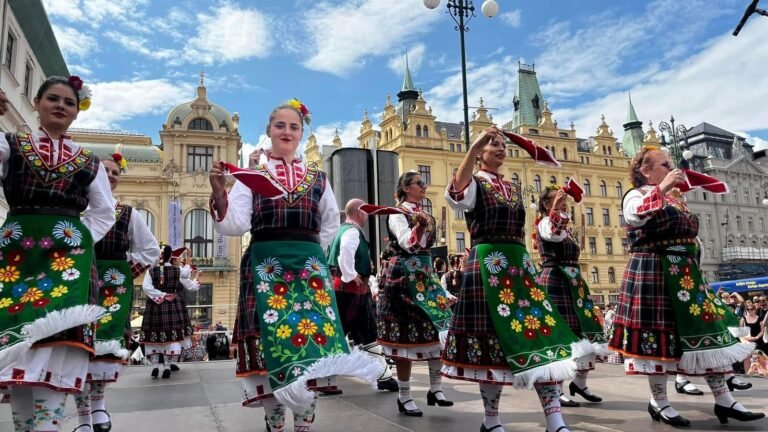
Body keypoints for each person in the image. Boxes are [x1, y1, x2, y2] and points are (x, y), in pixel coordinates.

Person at [209, 99, 378, 432]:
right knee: (270, 352)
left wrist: (312, 255)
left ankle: (302, 427)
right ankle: (275, 427)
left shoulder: (318, 178)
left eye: (294, 126)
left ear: (302, 132)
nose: (287, 131)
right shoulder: (252, 175)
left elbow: (329, 224)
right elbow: (235, 224)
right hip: (265, 266)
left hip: (307, 269)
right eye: (280, 126)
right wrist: (219, 193)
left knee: (312, 352)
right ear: (269, 130)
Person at [444, 127, 589, 432]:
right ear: (479, 152)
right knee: (491, 347)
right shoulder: (475, 183)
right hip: (488, 263)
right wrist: (473, 146)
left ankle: (555, 419)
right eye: (491, 145)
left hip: (519, 264)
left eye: (501, 144)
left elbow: (548, 229)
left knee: (543, 336)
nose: (499, 148)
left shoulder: (512, 186)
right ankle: (492, 420)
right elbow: (456, 194)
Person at [608, 145, 763, 426]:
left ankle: (725, 401)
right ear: (646, 170)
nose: (673, 168)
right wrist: (664, 187)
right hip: (655, 271)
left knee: (709, 336)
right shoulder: (636, 194)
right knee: (657, 340)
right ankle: (659, 402)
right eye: (665, 164)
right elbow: (635, 216)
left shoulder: (676, 200)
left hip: (686, 275)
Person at [0, 76, 116, 432]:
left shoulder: (87, 161)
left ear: (75, 112)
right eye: (53, 98)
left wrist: (79, 240)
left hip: (68, 260)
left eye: (68, 102)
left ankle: (48, 426)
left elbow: (104, 211)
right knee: (20, 343)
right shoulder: (11, 144)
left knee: (57, 341)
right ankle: (25, 428)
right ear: (36, 103)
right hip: (17, 251)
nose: (60, 106)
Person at [73, 154, 159, 432]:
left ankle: (98, 405)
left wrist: (123, 272)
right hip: (75, 279)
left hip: (111, 284)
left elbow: (150, 250)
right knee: (77, 348)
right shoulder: (74, 208)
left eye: (114, 172)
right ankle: (83, 418)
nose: (110, 175)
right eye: (104, 170)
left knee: (104, 346)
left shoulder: (127, 213)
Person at [377, 171, 456, 418]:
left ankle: (436, 389)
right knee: (404, 340)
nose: (424, 186)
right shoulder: (397, 213)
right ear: (406, 188)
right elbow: (407, 244)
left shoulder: (426, 214)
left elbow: (425, 249)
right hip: (403, 276)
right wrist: (419, 226)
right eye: (419, 183)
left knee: (437, 331)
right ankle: (404, 396)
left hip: (424, 274)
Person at [535, 186, 608, 407]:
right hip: (555, 278)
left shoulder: (568, 227)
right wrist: (556, 208)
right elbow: (553, 234)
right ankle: (556, 389)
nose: (563, 201)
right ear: (546, 204)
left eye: (563, 198)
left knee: (586, 331)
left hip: (573, 281)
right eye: (556, 199)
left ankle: (580, 382)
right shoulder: (545, 223)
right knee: (561, 334)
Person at [326, 198, 398, 392]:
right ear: (359, 213)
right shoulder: (351, 231)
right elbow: (345, 254)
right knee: (367, 333)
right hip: (351, 290)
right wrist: (352, 274)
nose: (367, 216)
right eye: (365, 212)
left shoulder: (339, 230)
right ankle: (383, 376)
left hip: (341, 289)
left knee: (340, 334)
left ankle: (324, 381)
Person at [139, 245, 199, 379]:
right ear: (170, 255)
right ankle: (167, 366)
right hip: (172, 305)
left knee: (153, 336)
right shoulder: (176, 269)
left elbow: (145, 287)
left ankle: (155, 366)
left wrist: (161, 294)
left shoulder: (151, 270)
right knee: (171, 337)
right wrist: (189, 256)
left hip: (154, 306)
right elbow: (187, 273)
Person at [741, 302, 765, 373]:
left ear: (755, 310)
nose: (750, 311)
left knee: (757, 358)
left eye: (752, 309)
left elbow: (762, 331)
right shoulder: (743, 319)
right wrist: (746, 338)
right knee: (747, 358)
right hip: (747, 341)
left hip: (758, 340)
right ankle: (747, 374)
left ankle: (760, 373)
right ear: (746, 310)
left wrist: (756, 337)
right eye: (748, 309)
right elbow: (740, 331)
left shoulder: (760, 318)